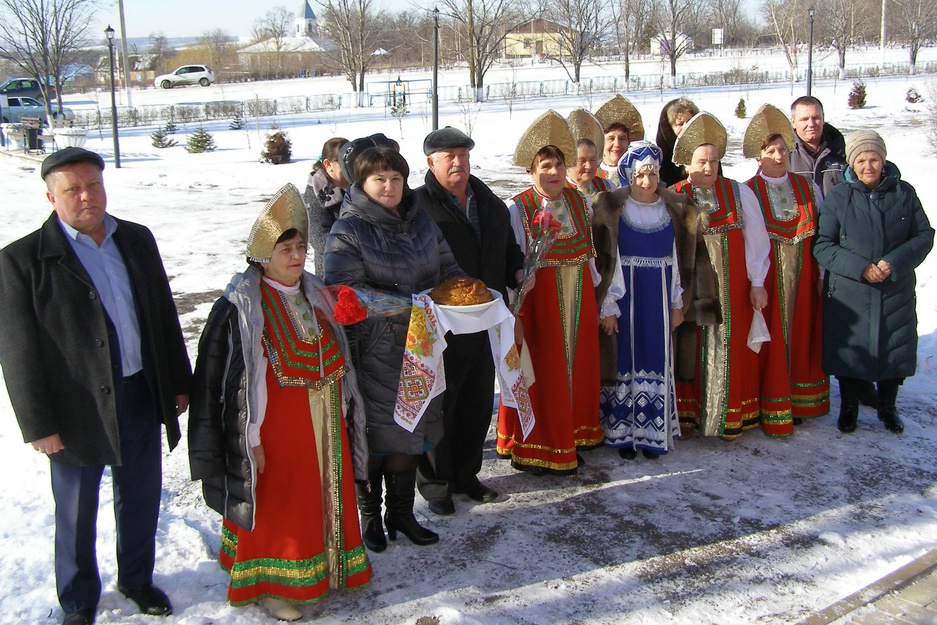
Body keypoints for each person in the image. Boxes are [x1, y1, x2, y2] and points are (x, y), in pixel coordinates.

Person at [0, 147, 192, 625]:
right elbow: (17, 350)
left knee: (141, 495)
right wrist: (38, 424)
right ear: (51, 196)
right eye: (73, 189)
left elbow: (163, 316)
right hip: (74, 408)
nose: (87, 196)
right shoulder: (22, 260)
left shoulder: (136, 239)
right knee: (75, 510)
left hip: (139, 392)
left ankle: (137, 580)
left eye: (94, 184)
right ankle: (79, 597)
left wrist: (177, 382)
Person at [187, 184, 372, 622]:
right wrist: (248, 438)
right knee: (281, 503)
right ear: (262, 255)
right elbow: (234, 382)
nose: (296, 256)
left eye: (301, 247)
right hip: (275, 432)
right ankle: (270, 581)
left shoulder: (315, 294)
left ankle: (325, 566)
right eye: (285, 248)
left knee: (320, 498)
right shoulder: (242, 306)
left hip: (324, 425)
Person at [325, 146, 463, 548]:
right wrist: (412, 305)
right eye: (379, 180)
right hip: (373, 349)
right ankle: (370, 516)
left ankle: (401, 514)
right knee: (375, 436)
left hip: (422, 347)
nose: (389, 187)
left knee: (411, 428)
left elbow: (447, 267)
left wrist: (468, 293)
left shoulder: (421, 222)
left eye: (396, 179)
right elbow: (344, 294)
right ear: (362, 184)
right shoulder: (347, 230)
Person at [412, 127, 525, 515]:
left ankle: (467, 474)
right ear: (431, 163)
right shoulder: (417, 206)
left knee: (476, 402)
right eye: (449, 157)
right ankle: (436, 485)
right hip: (442, 323)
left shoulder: (488, 201)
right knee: (439, 405)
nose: (458, 162)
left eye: (463, 154)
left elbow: (508, 248)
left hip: (486, 317)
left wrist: (517, 270)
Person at [592, 141, 719, 460]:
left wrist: (679, 303)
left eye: (652, 174)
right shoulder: (613, 208)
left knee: (655, 357)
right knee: (625, 358)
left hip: (660, 294)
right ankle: (622, 433)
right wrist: (607, 305)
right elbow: (609, 261)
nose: (647, 182)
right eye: (639, 176)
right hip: (627, 295)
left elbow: (679, 259)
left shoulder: (674, 208)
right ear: (629, 177)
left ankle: (651, 433)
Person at [496, 110, 603, 475]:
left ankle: (567, 436)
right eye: (545, 165)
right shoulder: (518, 209)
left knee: (573, 371)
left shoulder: (579, 202)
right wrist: (513, 312)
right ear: (531, 170)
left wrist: (599, 300)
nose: (554, 172)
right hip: (538, 306)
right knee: (540, 374)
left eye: (559, 164)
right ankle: (536, 445)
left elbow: (590, 259)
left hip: (579, 300)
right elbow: (511, 264)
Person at [813, 130, 933, 434]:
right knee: (850, 350)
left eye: (875, 159)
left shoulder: (904, 193)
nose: (869, 166)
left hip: (895, 288)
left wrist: (893, 263)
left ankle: (887, 407)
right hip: (850, 290)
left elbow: (924, 235)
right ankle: (849, 407)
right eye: (862, 159)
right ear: (853, 162)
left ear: (883, 159)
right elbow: (822, 244)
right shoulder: (840, 196)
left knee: (895, 347)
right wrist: (861, 267)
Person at [669, 113, 776, 439]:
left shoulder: (738, 194)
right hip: (689, 293)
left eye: (714, 161)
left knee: (728, 349)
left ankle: (727, 416)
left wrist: (758, 282)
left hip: (732, 293)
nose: (709, 168)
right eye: (702, 161)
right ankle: (688, 417)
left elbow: (757, 241)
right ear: (687, 163)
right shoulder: (672, 196)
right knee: (689, 348)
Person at [743, 104, 829, 424]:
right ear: (759, 156)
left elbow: (822, 233)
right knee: (768, 340)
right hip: (766, 280)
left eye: (782, 149)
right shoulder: (747, 191)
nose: (778, 156)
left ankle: (799, 399)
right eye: (770, 151)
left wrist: (822, 273)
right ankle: (768, 400)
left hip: (804, 276)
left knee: (801, 333)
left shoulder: (808, 187)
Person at [303, 136, 349, 275]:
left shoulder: (359, 187)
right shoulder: (315, 193)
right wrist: (355, 248)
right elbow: (317, 236)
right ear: (328, 164)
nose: (350, 167)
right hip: (333, 270)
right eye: (343, 163)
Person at [788, 96, 846, 199]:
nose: (811, 124)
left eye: (816, 118)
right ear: (793, 122)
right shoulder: (783, 156)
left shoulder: (841, 153)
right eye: (804, 119)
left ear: (823, 118)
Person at [593, 95, 644, 187]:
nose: (617, 144)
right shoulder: (591, 174)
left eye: (622, 138)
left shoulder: (640, 174)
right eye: (611, 138)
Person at [565, 109, 612, 200]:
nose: (589, 166)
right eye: (582, 161)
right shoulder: (558, 191)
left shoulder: (607, 187)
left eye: (592, 160)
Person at [656, 97, 699, 186]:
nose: (686, 127)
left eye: (690, 121)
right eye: (680, 124)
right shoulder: (663, 158)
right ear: (670, 129)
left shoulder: (706, 149)